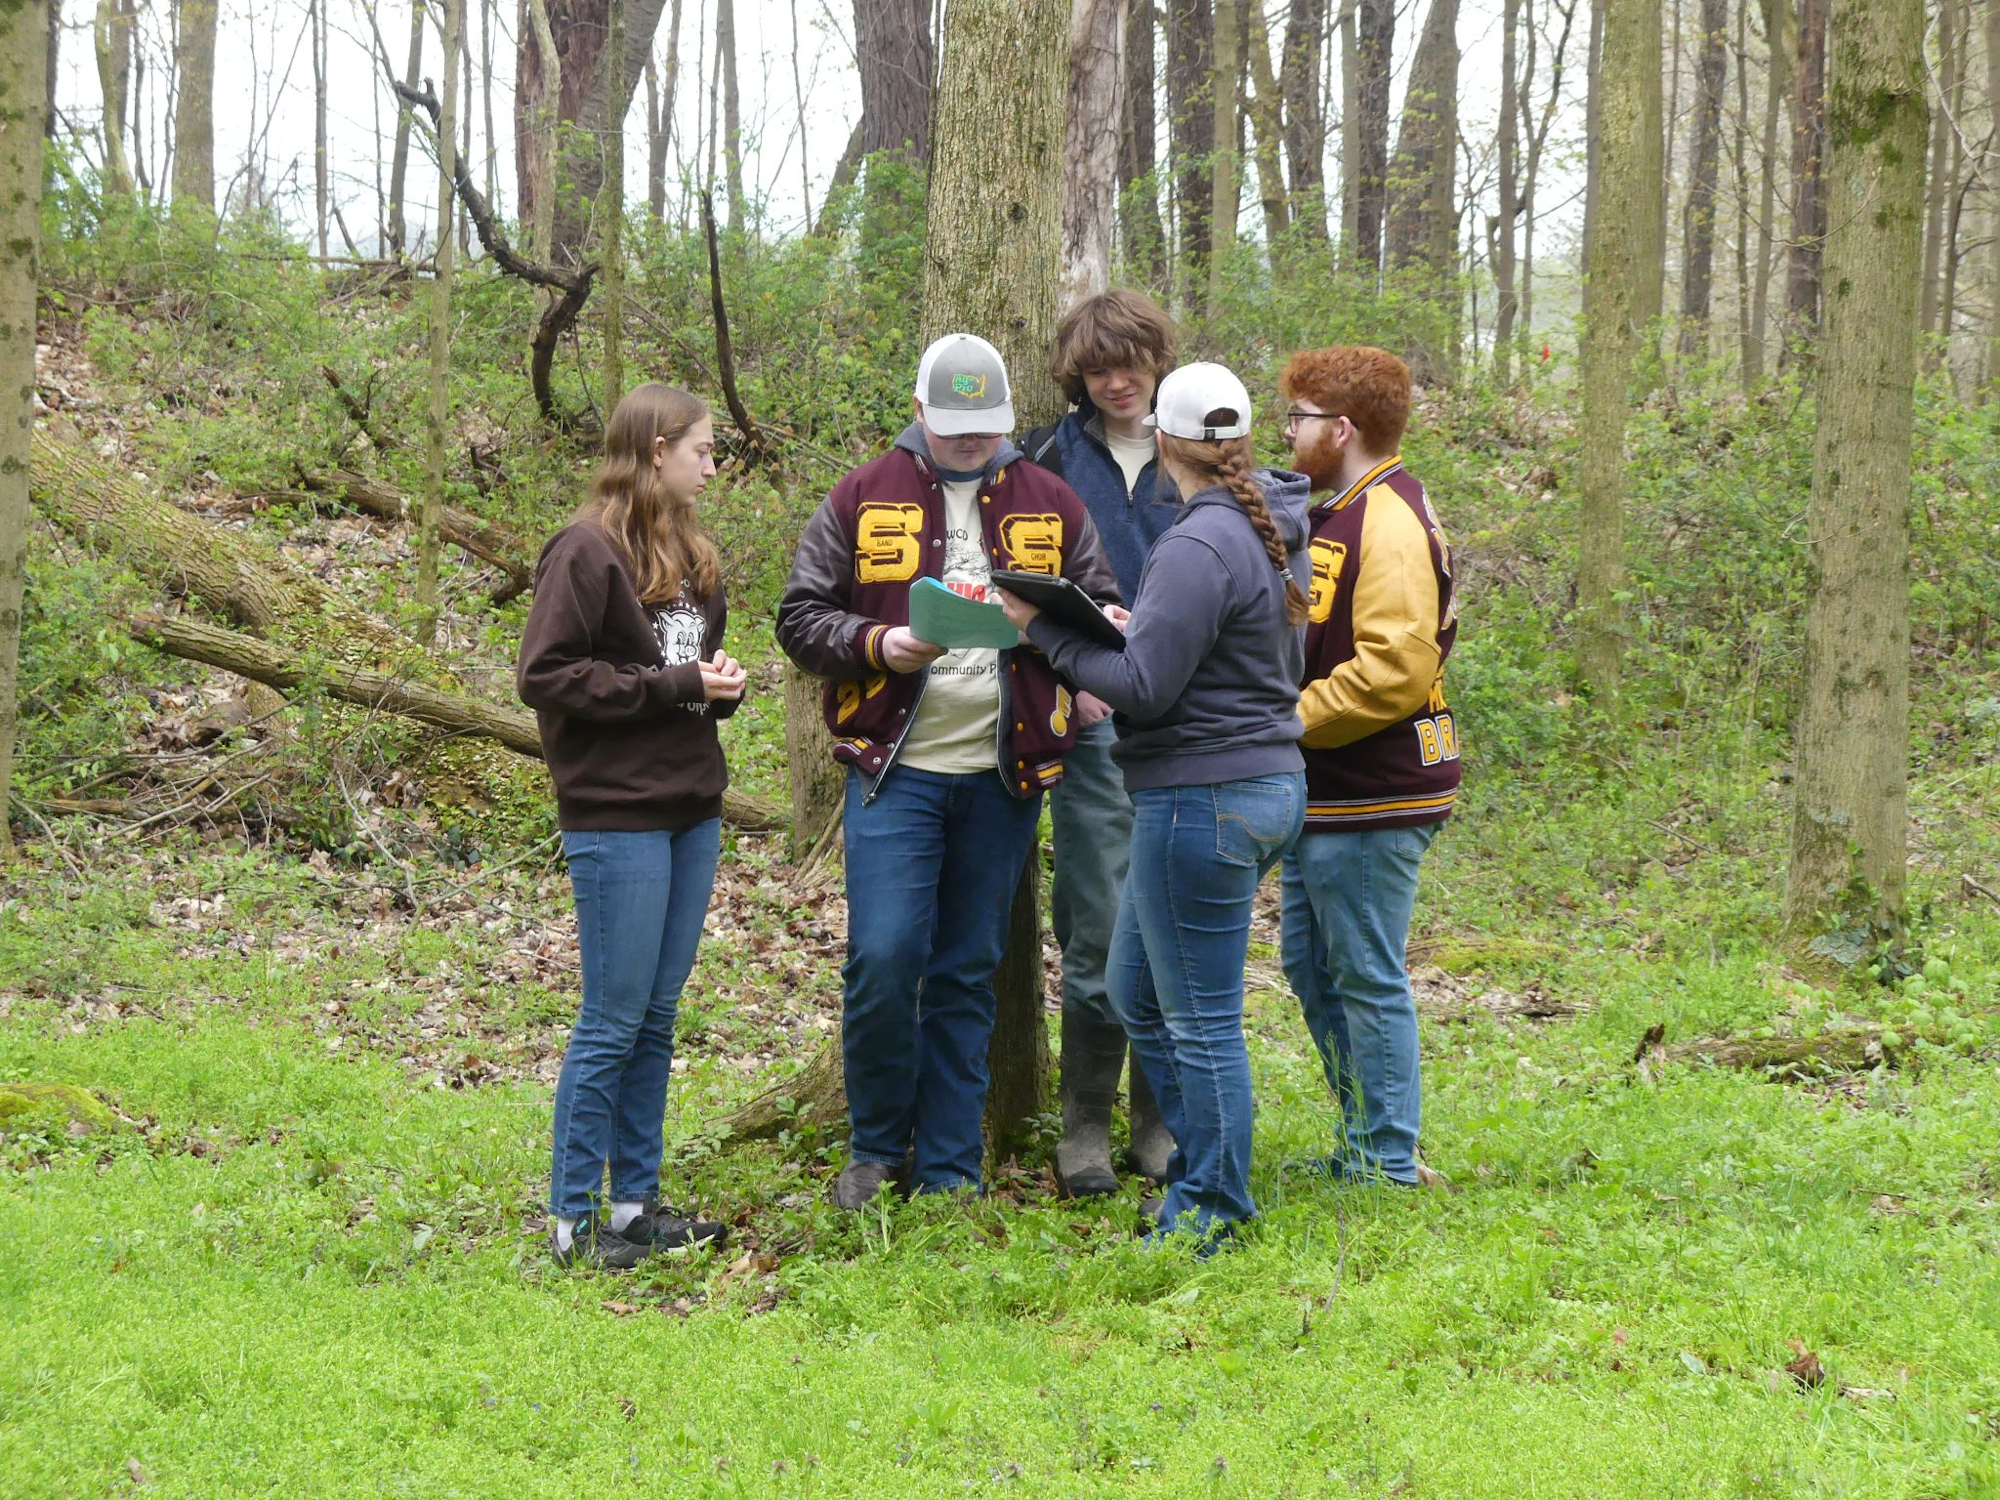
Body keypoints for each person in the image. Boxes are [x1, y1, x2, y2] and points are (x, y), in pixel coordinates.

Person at [775, 333, 1118, 1208]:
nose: (971, 441)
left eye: (987, 426)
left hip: (1007, 775)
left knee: (970, 966)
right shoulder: (862, 494)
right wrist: (878, 642)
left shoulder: (1051, 499)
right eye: (954, 424)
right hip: (895, 768)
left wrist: (1090, 651)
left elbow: (1096, 607)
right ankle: (876, 1147)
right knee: (885, 958)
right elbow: (800, 616)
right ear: (921, 411)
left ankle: (951, 1166)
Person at [997, 362, 1310, 1247]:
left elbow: (1140, 686)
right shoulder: (1275, 527)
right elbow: (1234, 655)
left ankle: (1212, 1202)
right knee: (1136, 988)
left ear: (1165, 442)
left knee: (1203, 1018)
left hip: (1201, 796)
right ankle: (1200, 1169)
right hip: (1259, 783)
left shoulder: (1196, 543)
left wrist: (1046, 629)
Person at [518, 383, 743, 1269]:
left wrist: (713, 684)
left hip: (692, 807)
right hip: (617, 814)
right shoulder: (583, 550)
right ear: (656, 450)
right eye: (702, 449)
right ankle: (570, 1222)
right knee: (612, 1017)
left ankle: (633, 1207)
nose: (713, 465)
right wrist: (676, 687)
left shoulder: (689, 550)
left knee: (656, 1015)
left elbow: (676, 673)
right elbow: (549, 676)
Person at [1276, 346, 1460, 1187]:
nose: (1289, 433)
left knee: (1363, 970)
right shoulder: (1342, 508)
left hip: (1377, 790)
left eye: (1300, 419)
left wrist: (1285, 723)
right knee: (1314, 967)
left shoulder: (1386, 518)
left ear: (1340, 429)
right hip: (1332, 791)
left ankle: (1386, 1158)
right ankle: (1366, 1140)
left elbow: (1395, 666)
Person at [1018, 289, 1179, 1197]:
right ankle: (1085, 1118)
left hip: (1191, 727)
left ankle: (1158, 1120)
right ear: (1077, 375)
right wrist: (1070, 679)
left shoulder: (1199, 447)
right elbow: (1018, 592)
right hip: (1090, 727)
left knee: (1173, 922)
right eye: (1099, 368)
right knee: (1097, 923)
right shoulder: (1047, 458)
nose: (1119, 382)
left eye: (1133, 363)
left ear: (1158, 360)